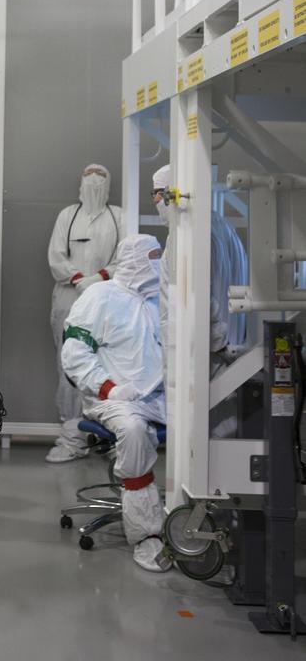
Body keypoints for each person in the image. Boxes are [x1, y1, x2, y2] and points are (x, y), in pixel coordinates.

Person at [61, 234, 170, 573]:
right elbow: (74, 352)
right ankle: (146, 535)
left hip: (160, 396)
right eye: (152, 256)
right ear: (135, 260)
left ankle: (190, 519)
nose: (158, 263)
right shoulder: (100, 296)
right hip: (112, 399)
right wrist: (108, 387)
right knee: (134, 432)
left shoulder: (160, 300)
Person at [45, 164, 124, 463]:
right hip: (69, 299)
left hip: (108, 300)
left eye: (100, 174)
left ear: (109, 182)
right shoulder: (68, 216)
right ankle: (72, 438)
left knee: (110, 366)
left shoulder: (119, 217)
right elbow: (56, 257)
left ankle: (112, 437)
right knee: (69, 367)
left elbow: (125, 257)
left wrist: (99, 277)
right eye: (88, 173)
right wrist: (78, 279)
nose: (93, 179)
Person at [152, 164, 247, 369]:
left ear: (172, 194)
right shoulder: (223, 226)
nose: (155, 200)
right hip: (229, 347)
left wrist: (220, 343)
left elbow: (197, 294)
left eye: (159, 193)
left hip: (204, 355)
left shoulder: (185, 233)